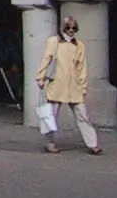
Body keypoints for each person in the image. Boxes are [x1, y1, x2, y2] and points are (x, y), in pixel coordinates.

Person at [35, 14, 102, 155]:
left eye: (74, 28)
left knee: (83, 115)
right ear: (62, 28)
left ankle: (92, 143)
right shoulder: (54, 41)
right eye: (68, 27)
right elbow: (46, 59)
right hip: (57, 84)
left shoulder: (79, 45)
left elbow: (82, 67)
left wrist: (83, 86)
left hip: (74, 86)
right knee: (51, 116)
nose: (71, 30)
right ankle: (50, 142)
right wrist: (40, 77)